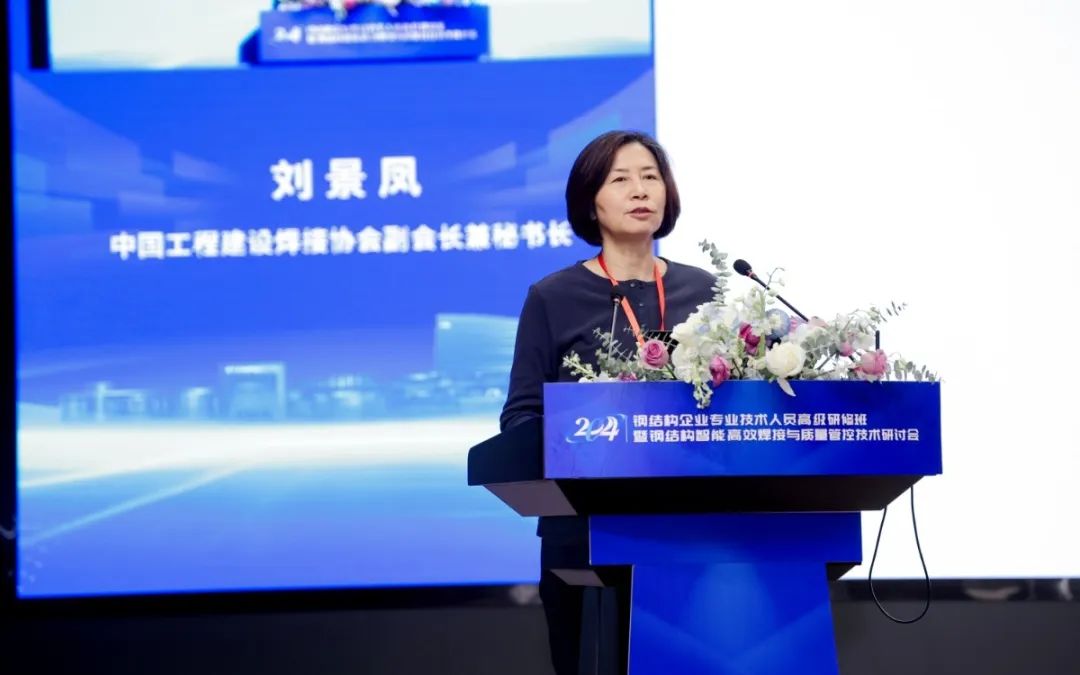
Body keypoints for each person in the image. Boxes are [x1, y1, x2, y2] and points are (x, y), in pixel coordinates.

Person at [499, 130, 716, 675]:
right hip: (585, 538)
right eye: (620, 179)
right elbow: (521, 416)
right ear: (589, 201)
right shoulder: (553, 296)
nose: (640, 190)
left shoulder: (704, 292)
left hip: (693, 531)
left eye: (650, 177)